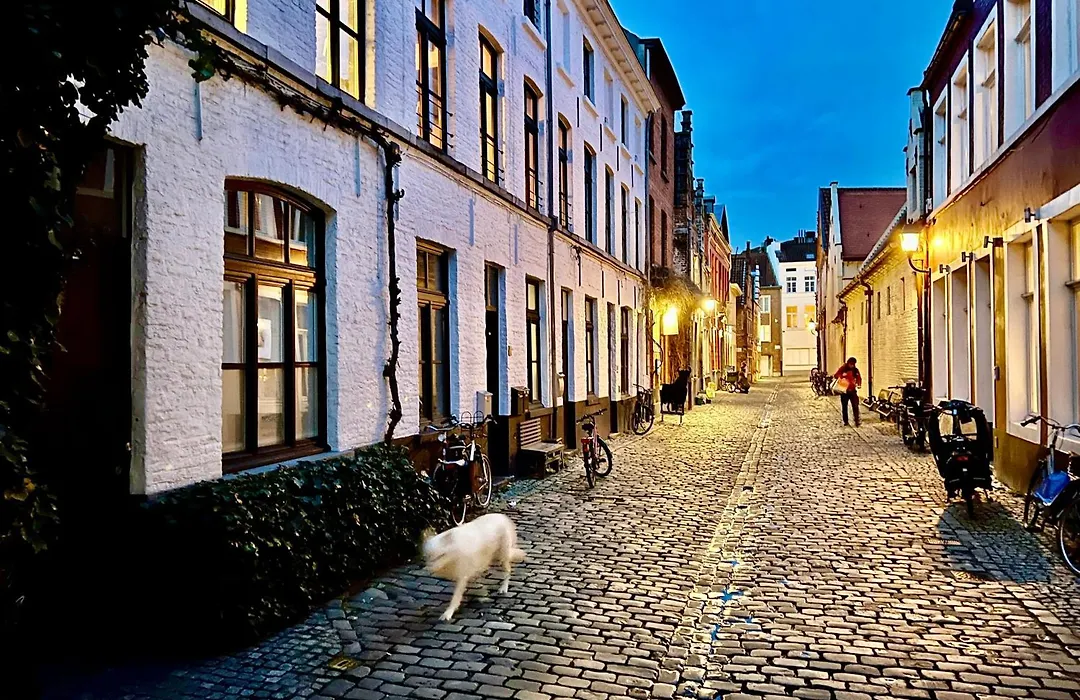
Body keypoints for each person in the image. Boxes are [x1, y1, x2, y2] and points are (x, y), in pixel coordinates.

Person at [833, 357, 863, 427]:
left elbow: (859, 377)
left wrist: (858, 384)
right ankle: (845, 421)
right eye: (851, 364)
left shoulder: (855, 370)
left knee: (855, 406)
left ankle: (857, 420)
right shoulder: (843, 368)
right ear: (848, 363)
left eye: (853, 364)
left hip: (852, 390)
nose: (852, 365)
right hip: (844, 391)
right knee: (844, 406)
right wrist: (842, 375)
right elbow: (835, 375)